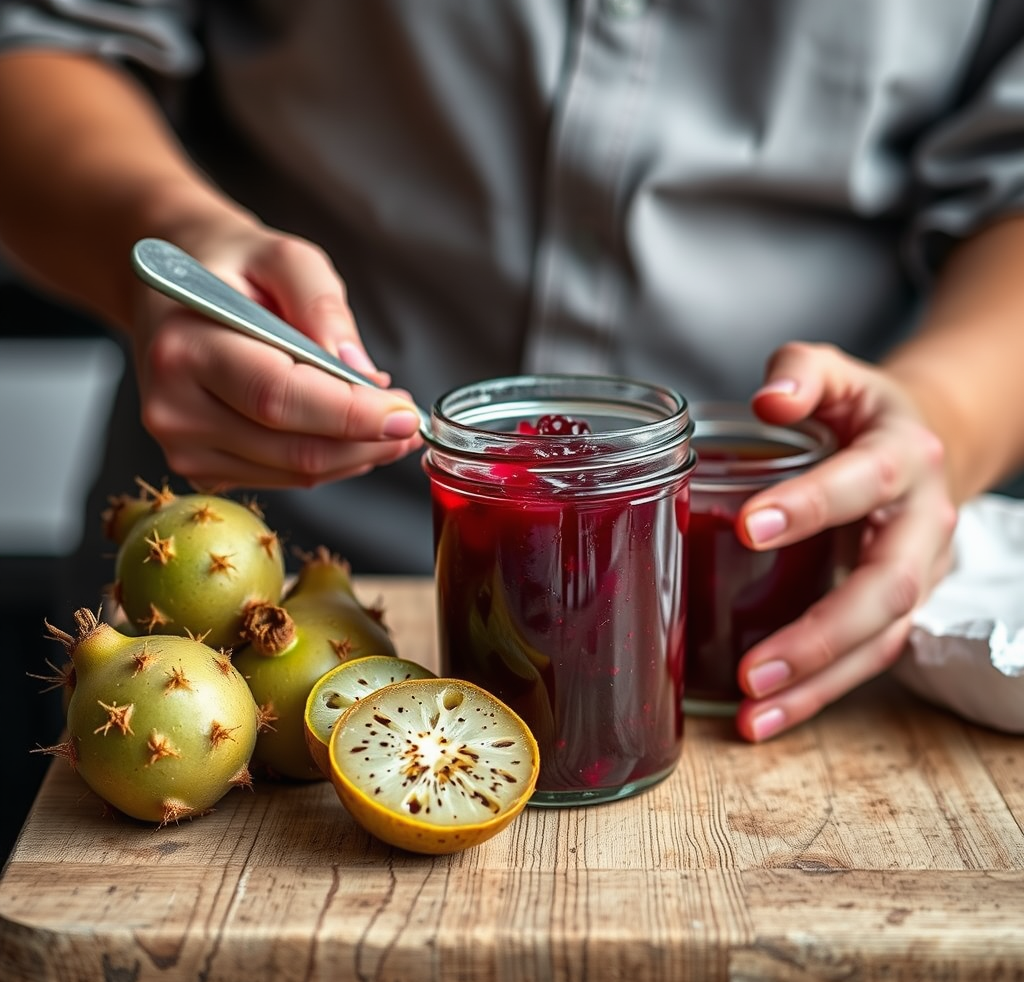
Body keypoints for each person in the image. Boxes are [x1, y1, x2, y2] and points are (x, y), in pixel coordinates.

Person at [1, 1, 1023, 745]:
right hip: (245, 584)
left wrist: (942, 416)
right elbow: (38, 38)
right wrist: (164, 236)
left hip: (806, 576)